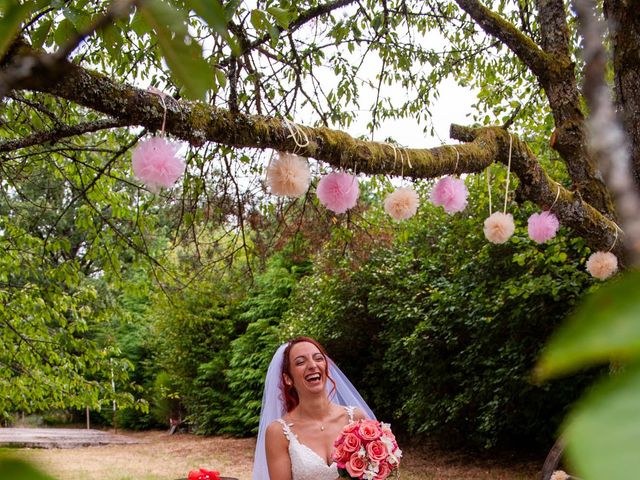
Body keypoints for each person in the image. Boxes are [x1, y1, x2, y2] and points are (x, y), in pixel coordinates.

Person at [252, 337, 375, 480]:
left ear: (326, 368)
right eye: (300, 362)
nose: (312, 365)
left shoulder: (356, 418)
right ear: (288, 379)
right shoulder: (278, 432)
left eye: (318, 358)